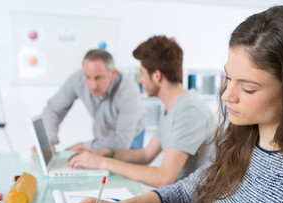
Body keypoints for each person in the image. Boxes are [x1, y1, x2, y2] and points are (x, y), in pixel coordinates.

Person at [71, 5, 283, 203]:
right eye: (228, 78)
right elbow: (185, 189)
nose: (227, 96)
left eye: (248, 88)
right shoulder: (243, 139)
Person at [69, 36, 216, 188]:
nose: (139, 80)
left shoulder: (189, 110)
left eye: (142, 73)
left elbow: (163, 178)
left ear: (157, 76)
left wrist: (103, 163)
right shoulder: (174, 107)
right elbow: (146, 155)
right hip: (175, 201)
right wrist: (108, 153)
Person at [41, 49, 146, 151]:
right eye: (87, 77)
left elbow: (122, 143)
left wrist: (85, 147)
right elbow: (53, 109)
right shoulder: (77, 79)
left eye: (98, 78)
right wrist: (48, 139)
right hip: (102, 134)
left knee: (124, 167)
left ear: (112, 73)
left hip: (130, 137)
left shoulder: (129, 91)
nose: (92, 86)